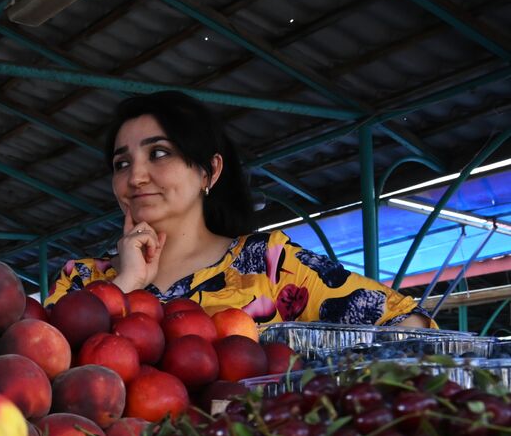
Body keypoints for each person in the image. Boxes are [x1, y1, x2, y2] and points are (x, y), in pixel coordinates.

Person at [46, 91, 431, 327]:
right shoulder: (81, 280)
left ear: (209, 170)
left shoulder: (270, 266)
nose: (136, 177)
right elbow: (39, 363)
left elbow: (403, 320)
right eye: (121, 164)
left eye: (159, 153)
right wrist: (126, 283)